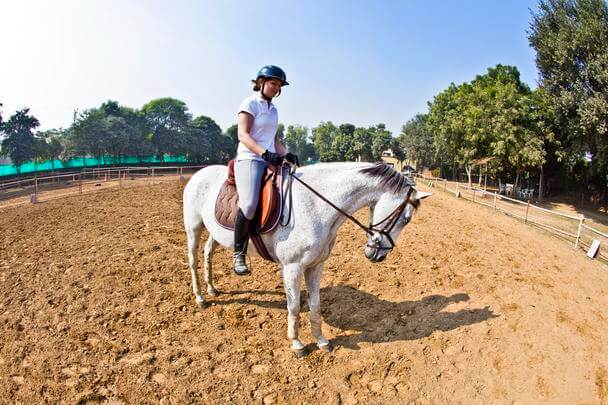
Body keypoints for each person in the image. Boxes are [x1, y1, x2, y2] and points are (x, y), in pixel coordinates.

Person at [233, 65, 299, 275]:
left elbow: (275, 140)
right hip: (250, 158)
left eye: (279, 85)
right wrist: (263, 153)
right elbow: (243, 135)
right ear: (261, 82)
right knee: (250, 204)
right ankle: (238, 254)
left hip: (269, 158)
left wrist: (286, 154)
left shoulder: (274, 110)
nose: (276, 88)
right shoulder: (249, 103)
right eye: (273, 83)